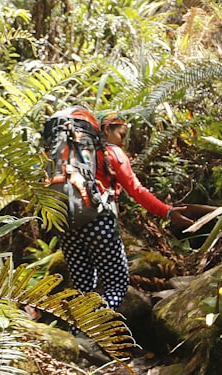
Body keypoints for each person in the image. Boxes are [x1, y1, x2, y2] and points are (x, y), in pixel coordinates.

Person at [58, 111, 192, 314]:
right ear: (105, 129)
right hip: (98, 225)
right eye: (121, 134)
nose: (122, 142)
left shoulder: (69, 154)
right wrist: (167, 211)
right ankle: (95, 329)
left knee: (82, 288)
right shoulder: (113, 153)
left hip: (66, 226)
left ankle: (78, 336)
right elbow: (137, 191)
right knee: (117, 285)